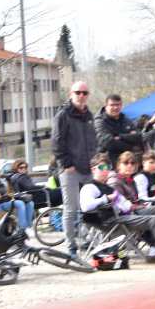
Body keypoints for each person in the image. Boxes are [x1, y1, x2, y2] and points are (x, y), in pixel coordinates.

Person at [79, 153, 155, 266]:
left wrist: (136, 206)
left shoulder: (107, 186)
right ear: (93, 169)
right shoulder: (90, 186)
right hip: (108, 222)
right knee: (154, 220)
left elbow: (125, 205)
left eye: (107, 167)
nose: (105, 170)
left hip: (120, 216)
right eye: (102, 168)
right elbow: (85, 206)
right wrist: (106, 199)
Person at [52, 81, 97, 257]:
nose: (81, 96)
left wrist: (95, 160)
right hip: (70, 168)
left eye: (85, 93)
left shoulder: (89, 115)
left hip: (88, 167)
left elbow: (94, 141)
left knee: (89, 207)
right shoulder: (63, 115)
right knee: (70, 209)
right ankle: (71, 245)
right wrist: (66, 163)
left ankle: (87, 240)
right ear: (71, 94)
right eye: (78, 92)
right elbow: (56, 142)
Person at [95, 94, 143, 167]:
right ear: (106, 106)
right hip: (107, 163)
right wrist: (131, 146)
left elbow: (139, 136)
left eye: (118, 105)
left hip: (127, 163)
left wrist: (120, 136)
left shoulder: (126, 119)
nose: (115, 107)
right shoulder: (99, 121)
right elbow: (108, 142)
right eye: (112, 105)